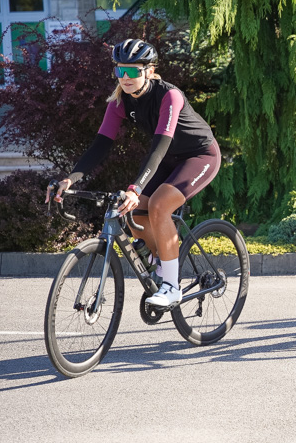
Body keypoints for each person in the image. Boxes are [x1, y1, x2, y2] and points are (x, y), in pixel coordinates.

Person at [46, 39, 221, 308]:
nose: (125, 78)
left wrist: (136, 187)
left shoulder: (169, 95)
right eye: (119, 71)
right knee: (130, 210)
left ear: (149, 71)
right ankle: (161, 261)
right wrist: (70, 178)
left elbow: (160, 145)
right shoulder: (119, 102)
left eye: (132, 71)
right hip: (168, 158)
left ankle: (172, 288)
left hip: (199, 155)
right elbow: (101, 144)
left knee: (159, 205)